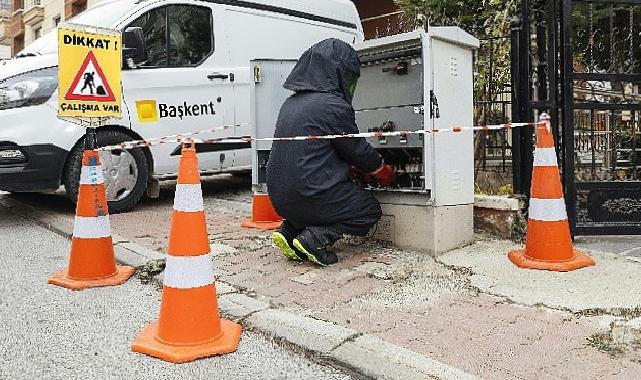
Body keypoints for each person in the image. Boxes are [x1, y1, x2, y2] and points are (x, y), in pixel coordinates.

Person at [266, 38, 396, 267]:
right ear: (337, 74)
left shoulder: (290, 104)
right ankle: (315, 239)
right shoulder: (332, 105)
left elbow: (314, 152)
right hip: (309, 195)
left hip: (280, 199)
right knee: (368, 209)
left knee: (314, 201)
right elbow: (357, 150)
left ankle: (289, 231)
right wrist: (381, 169)